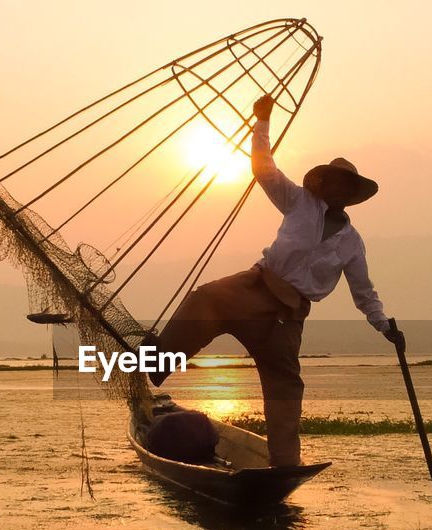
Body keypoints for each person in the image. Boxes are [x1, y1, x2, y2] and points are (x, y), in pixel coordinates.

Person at [148, 95, 403, 467]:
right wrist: (263, 120)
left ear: (350, 196)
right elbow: (263, 168)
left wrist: (384, 326)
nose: (339, 191)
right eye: (334, 183)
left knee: (285, 390)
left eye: (347, 187)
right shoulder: (299, 202)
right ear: (324, 184)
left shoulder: (352, 242)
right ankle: (157, 363)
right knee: (203, 299)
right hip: (255, 287)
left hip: (287, 315)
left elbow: (364, 293)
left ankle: (285, 466)